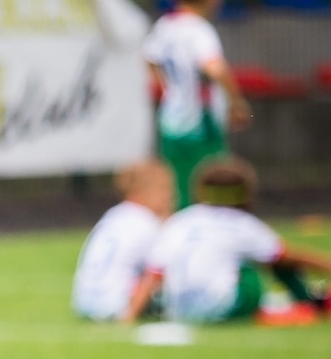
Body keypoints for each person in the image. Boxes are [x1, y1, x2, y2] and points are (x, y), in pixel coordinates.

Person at [122, 157, 331, 324]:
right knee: (260, 264)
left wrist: (128, 318)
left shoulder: (181, 220)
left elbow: (154, 274)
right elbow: (287, 257)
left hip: (179, 312)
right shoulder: (240, 223)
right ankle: (312, 305)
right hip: (221, 309)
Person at [142, 0, 250, 209]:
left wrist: (167, 89)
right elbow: (215, 69)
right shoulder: (199, 30)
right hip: (201, 121)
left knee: (178, 188)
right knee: (214, 186)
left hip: (171, 118)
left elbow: (149, 58)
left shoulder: (166, 25)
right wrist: (236, 103)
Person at [71, 160, 174, 321]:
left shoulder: (113, 215)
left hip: (85, 303)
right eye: (164, 190)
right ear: (143, 192)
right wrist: (128, 317)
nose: (169, 197)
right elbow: (156, 273)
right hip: (115, 306)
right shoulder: (147, 223)